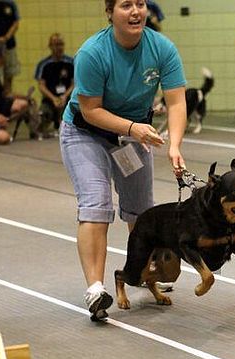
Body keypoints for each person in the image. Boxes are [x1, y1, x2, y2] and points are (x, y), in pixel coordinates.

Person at [59, 0, 187, 321]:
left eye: (140, 3)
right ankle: (95, 290)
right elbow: (91, 110)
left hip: (132, 138)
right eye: (125, 4)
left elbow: (176, 102)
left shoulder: (162, 48)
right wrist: (133, 128)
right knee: (96, 205)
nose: (135, 11)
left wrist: (175, 146)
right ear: (110, 12)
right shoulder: (93, 52)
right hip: (85, 133)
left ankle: (143, 270)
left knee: (141, 212)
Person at [34, 33, 74, 137]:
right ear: (50, 46)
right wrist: (53, 99)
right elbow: (41, 85)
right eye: (56, 45)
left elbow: (75, 83)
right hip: (50, 99)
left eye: (61, 44)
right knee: (43, 114)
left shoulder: (71, 62)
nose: (59, 47)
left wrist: (64, 96)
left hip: (67, 98)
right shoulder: (44, 64)